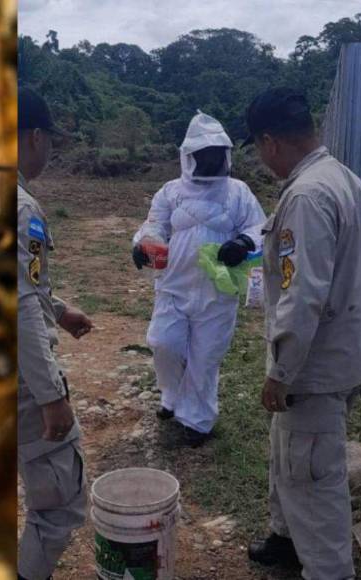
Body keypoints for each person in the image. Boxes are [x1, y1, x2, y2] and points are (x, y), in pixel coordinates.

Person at [244, 88, 361, 580]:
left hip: (314, 366)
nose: (262, 160)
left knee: (313, 475)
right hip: (340, 351)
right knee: (289, 452)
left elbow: (302, 295)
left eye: (259, 150)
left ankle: (327, 569)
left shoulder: (306, 195)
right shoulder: (343, 178)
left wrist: (280, 372)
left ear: (270, 141)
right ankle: (285, 538)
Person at [131, 111, 265, 446]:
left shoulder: (238, 192)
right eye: (203, 155)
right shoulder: (170, 191)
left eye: (216, 154)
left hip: (218, 290)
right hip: (173, 286)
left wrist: (243, 242)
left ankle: (197, 420)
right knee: (164, 344)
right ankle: (172, 398)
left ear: (226, 155)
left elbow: (259, 227)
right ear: (189, 157)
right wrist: (140, 244)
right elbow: (154, 225)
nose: (210, 161)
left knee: (205, 358)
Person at [16, 86, 92, 580]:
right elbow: (19, 300)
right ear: (34, 136)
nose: (50, 152)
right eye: (50, 141)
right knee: (59, 500)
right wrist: (50, 396)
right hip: (17, 378)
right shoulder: (23, 209)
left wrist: (58, 310)